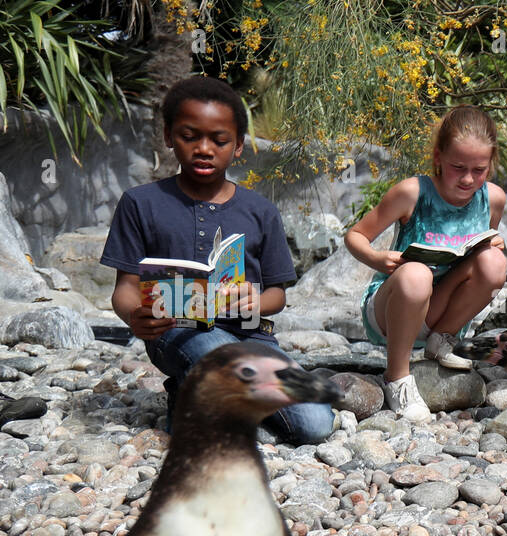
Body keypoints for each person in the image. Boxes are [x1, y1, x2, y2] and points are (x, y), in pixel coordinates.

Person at [101, 75, 333, 444]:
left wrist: (256, 301)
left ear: (238, 145)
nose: (204, 148)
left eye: (219, 140)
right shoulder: (140, 203)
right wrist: (135, 317)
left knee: (315, 424)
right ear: (168, 136)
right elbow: (125, 289)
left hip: (251, 337)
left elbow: (277, 295)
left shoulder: (261, 211)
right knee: (216, 356)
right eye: (189, 136)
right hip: (175, 332)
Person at [344, 106, 507, 423]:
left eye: (479, 169)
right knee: (417, 274)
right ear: (437, 157)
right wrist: (377, 258)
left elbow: (483, 256)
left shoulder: (493, 198)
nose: (467, 178)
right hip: (393, 308)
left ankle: (442, 339)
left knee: (493, 261)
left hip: (442, 308)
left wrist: (493, 245)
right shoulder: (413, 192)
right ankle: (398, 377)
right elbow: (355, 236)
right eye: (457, 167)